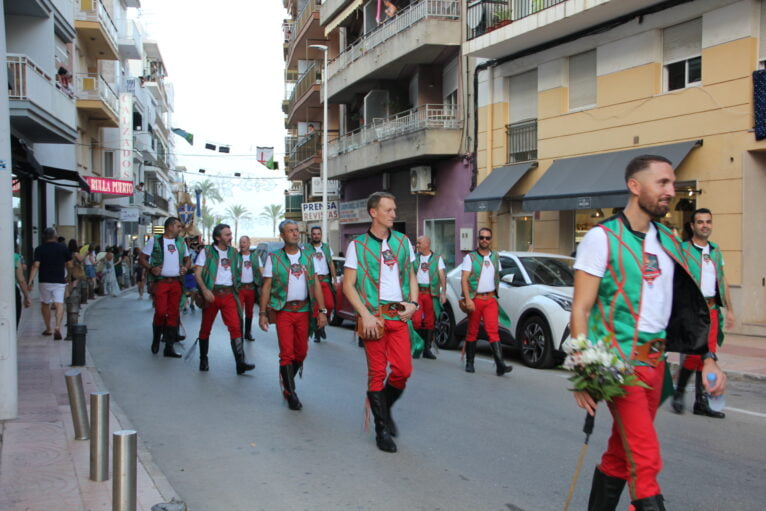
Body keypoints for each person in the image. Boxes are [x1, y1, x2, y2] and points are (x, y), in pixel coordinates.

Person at [570, 155, 727, 510]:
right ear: (635, 186)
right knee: (645, 457)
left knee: (621, 454)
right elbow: (580, 308)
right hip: (618, 365)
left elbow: (688, 309)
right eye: (663, 183)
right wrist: (583, 369)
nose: (672, 191)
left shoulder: (670, 240)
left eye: (673, 183)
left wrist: (708, 356)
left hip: (657, 366)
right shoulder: (601, 237)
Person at [342, 192, 419, 453]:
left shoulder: (402, 242)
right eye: (388, 210)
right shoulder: (357, 246)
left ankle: (383, 407)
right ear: (373, 212)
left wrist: (413, 303)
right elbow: (348, 286)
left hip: (398, 316)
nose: (394, 214)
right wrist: (365, 314)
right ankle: (381, 430)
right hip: (373, 317)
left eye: (394, 210)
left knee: (403, 371)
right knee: (377, 373)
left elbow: (411, 276)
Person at [673, 208, 735, 419]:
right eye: (700, 222)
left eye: (708, 221)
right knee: (693, 355)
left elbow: (723, 280)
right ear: (692, 226)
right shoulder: (681, 250)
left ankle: (702, 402)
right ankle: (679, 392)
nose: (705, 225)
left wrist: (730, 309)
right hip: (691, 310)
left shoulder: (716, 251)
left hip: (712, 310)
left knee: (709, 356)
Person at [259, 220, 327, 410]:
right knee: (287, 353)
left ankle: (286, 379)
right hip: (284, 311)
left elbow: (315, 286)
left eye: (296, 230)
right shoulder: (274, 258)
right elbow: (266, 288)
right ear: (282, 235)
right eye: (290, 231)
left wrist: (322, 311)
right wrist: (263, 313)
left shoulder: (308, 256)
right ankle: (290, 392)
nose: (295, 234)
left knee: (302, 352)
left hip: (304, 310)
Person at [195, 223, 254, 375]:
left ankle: (240, 362)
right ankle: (203, 358)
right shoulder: (206, 252)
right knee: (206, 328)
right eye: (227, 235)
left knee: (235, 327)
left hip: (228, 295)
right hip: (212, 294)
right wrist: (205, 290)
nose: (231, 237)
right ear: (217, 237)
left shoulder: (234, 253)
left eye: (230, 234)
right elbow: (197, 273)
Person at [460, 228, 512, 376]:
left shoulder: (495, 256)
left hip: (490, 299)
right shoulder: (470, 257)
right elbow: (464, 279)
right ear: (478, 239)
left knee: (493, 331)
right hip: (476, 298)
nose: (484, 240)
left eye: (487, 238)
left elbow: (497, 276)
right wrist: (468, 299)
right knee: (473, 331)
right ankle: (470, 362)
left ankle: (500, 365)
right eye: (482, 237)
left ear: (491, 240)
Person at [140, 217, 190, 357]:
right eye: (178, 226)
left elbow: (187, 259)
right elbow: (142, 258)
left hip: (176, 282)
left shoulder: (181, 242)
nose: (180, 229)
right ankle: (156, 339)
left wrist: (185, 268)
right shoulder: (155, 240)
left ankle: (169, 347)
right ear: (169, 227)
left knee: (173, 313)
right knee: (161, 312)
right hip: (161, 282)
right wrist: (151, 268)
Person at [28, 228, 72, 340]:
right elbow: (70, 264)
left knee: (45, 304)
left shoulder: (39, 249)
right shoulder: (63, 247)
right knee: (59, 304)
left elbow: (36, 266)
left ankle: (48, 328)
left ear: (44, 237)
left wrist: (30, 280)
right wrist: (69, 275)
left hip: (44, 280)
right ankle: (57, 326)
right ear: (55, 236)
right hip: (59, 280)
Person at [414, 235, 446, 360]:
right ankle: (417, 346)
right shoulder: (415, 259)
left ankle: (426, 349)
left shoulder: (437, 258)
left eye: (419, 243)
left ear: (427, 244)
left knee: (429, 321)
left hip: (431, 293)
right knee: (416, 320)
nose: (417, 245)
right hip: (417, 292)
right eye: (417, 243)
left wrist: (443, 293)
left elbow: (442, 276)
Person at [306, 226, 336, 343]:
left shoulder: (326, 247)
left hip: (324, 280)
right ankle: (318, 332)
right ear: (311, 235)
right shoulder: (306, 248)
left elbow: (331, 263)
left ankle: (323, 324)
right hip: (313, 280)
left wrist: (334, 279)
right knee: (315, 308)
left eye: (318, 234)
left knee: (329, 305)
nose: (316, 236)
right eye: (314, 234)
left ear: (321, 235)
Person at [238, 235, 259, 341]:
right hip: (240, 288)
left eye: (244, 242)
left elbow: (261, 270)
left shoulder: (255, 257)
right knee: (239, 311)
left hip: (251, 288)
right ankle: (239, 334)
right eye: (241, 242)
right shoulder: (236, 257)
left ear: (249, 243)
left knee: (250, 312)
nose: (242, 244)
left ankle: (248, 333)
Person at [14, 250, 31, 328]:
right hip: (10, 291)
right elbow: (21, 280)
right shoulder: (14, 257)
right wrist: (26, 296)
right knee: (13, 319)